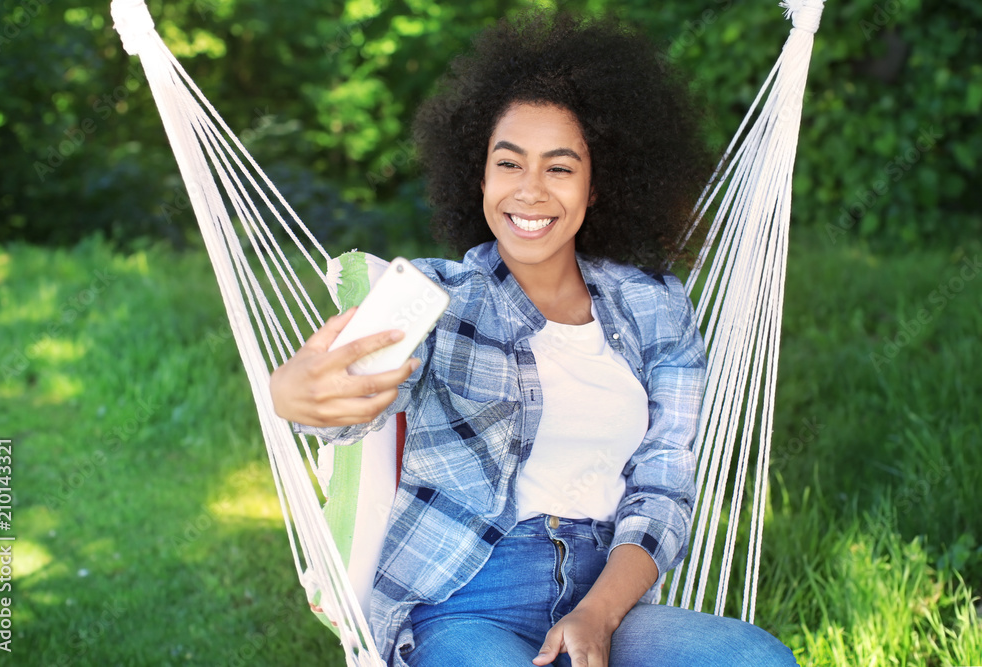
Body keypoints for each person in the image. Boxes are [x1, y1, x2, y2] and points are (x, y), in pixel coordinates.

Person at [271, 10, 798, 667]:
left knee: (755, 658)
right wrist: (295, 394)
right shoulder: (440, 296)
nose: (529, 190)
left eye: (559, 167)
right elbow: (358, 387)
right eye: (509, 163)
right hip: (463, 601)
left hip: (603, 593)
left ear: (596, 184)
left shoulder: (654, 305)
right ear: (480, 176)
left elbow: (663, 489)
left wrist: (596, 615)